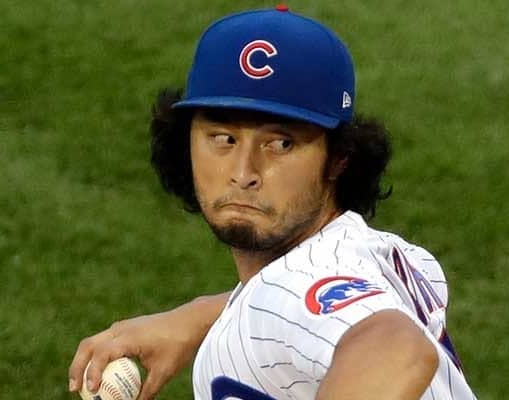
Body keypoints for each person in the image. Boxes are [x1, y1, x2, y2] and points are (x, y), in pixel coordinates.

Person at [69, 6, 476, 399]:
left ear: (339, 158)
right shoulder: (378, 253)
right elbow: (303, 305)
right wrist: (199, 316)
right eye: (224, 139)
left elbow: (395, 348)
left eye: (280, 144)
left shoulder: (291, 288)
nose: (243, 172)